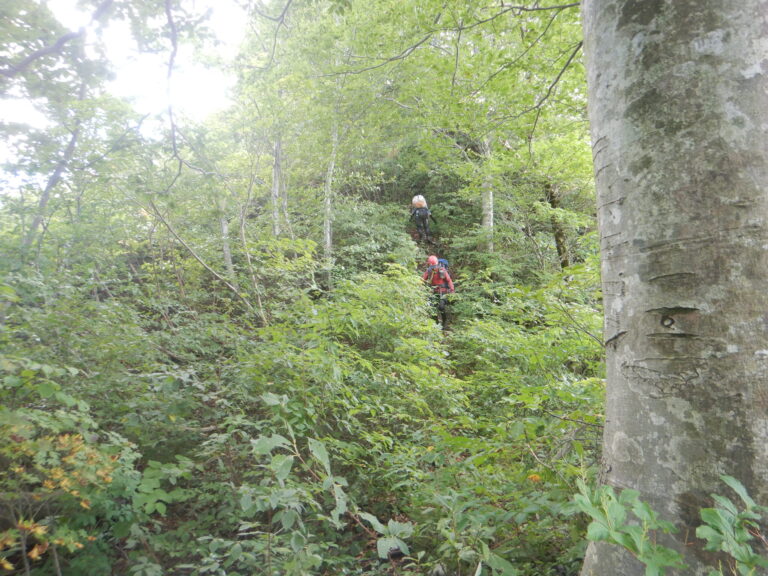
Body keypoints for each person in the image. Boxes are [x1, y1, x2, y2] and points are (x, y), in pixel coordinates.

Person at [422, 255, 454, 326]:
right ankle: (436, 324)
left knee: (441, 307)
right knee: (432, 308)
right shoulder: (429, 271)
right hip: (433, 292)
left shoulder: (442, 270)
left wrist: (452, 290)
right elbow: (423, 280)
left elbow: (449, 280)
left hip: (443, 291)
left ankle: (444, 322)